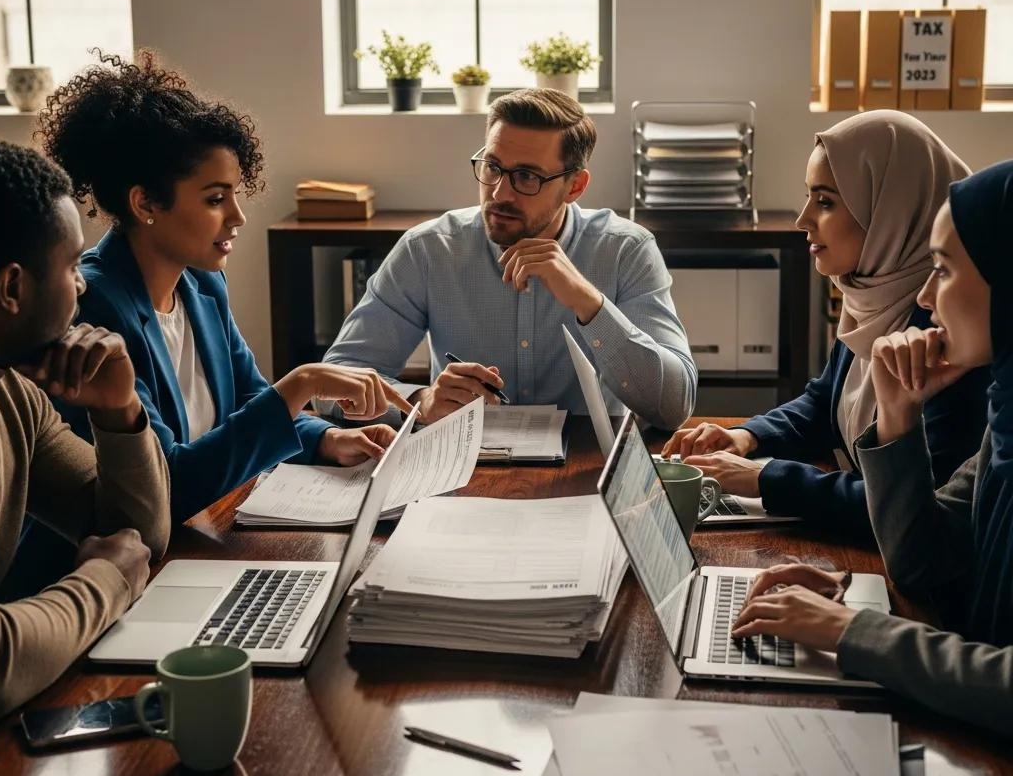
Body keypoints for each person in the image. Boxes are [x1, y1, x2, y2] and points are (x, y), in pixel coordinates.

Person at [35, 51, 409, 526]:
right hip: (117, 561)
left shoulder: (202, 284)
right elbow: (165, 487)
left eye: (235, 193)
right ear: (145, 202)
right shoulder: (95, 306)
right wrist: (302, 383)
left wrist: (326, 440)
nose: (238, 216)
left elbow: (249, 402)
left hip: (199, 535)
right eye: (215, 199)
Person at [730, 159, 1013, 734]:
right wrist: (897, 416)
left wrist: (849, 630)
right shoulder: (1004, 418)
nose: (927, 297)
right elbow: (923, 562)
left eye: (945, 270)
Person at [662, 111, 989, 534]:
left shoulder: (953, 332)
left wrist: (765, 478)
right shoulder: (870, 295)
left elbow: (910, 509)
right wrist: (747, 437)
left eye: (826, 202)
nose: (803, 220)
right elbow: (824, 403)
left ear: (888, 209)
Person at [321, 88, 697, 430]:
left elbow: (672, 407)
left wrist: (590, 303)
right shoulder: (430, 250)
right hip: (460, 473)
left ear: (575, 186)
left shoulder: (625, 251)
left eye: (527, 177)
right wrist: (420, 402)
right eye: (493, 167)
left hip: (588, 472)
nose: (500, 192)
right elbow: (328, 386)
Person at [0, 140, 169, 721]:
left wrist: (118, 410)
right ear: (13, 288)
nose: (83, 286)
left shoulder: (13, 392)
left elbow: (141, 536)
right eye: (72, 266)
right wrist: (105, 582)